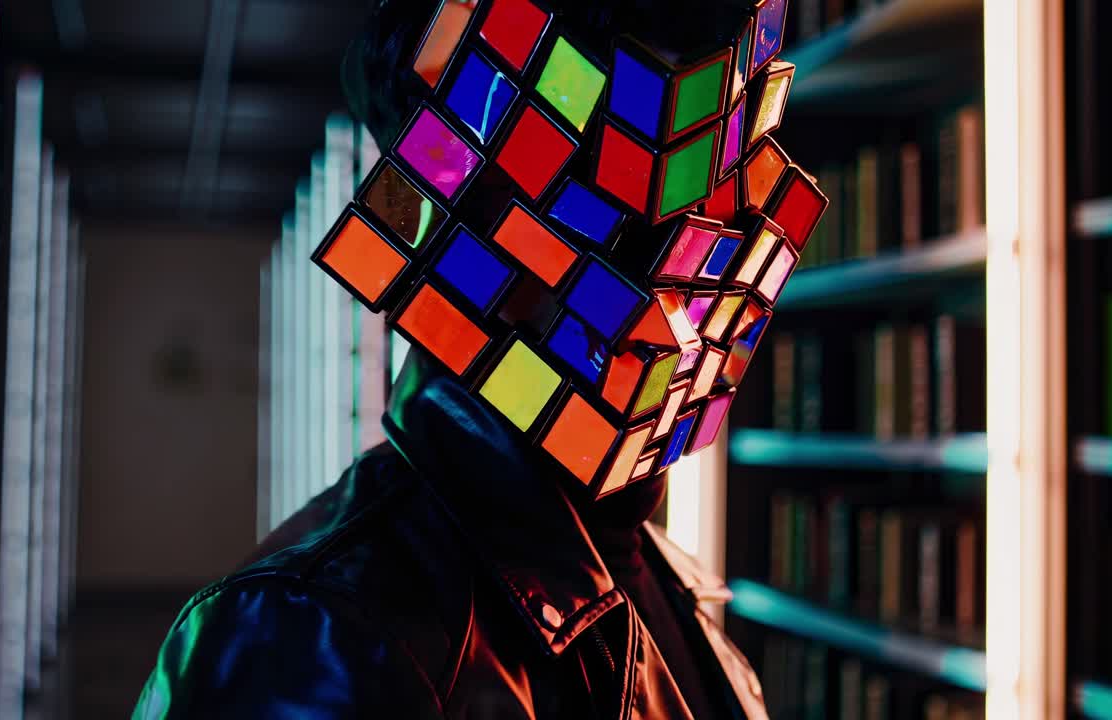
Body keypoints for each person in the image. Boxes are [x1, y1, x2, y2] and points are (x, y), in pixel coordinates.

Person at [133, 0, 823, 717]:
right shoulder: (308, 636)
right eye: (619, 205)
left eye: (721, 188)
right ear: (450, 209)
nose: (688, 271)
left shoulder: (674, 585)